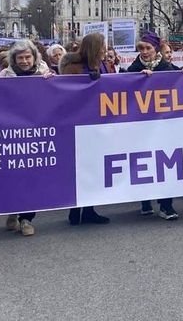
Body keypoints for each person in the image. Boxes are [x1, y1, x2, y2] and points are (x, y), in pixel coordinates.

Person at [0, 40, 55, 236]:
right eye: (20, 58)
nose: (24, 61)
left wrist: (53, 81)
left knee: (32, 178)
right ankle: (12, 211)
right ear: (14, 59)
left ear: (34, 57)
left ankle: (26, 219)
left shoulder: (45, 75)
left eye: (27, 57)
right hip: (11, 133)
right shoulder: (4, 76)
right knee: (12, 177)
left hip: (35, 133)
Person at [126, 31, 183, 220]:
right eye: (141, 48)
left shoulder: (167, 67)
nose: (144, 52)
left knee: (165, 163)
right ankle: (145, 201)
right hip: (142, 126)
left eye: (148, 48)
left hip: (164, 124)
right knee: (144, 162)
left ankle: (166, 205)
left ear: (156, 49)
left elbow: (181, 80)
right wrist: (139, 79)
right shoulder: (133, 69)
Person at [58, 33, 112, 226]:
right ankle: (75, 209)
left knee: (94, 167)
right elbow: (67, 93)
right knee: (80, 168)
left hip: (98, 122)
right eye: (103, 45)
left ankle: (89, 209)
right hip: (79, 123)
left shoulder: (102, 64)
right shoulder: (73, 67)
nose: (105, 49)